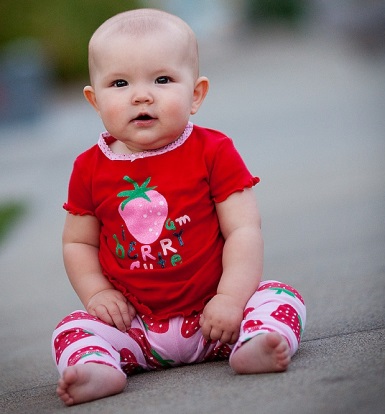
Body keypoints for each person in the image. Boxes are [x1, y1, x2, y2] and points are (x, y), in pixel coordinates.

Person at [52, 8, 306, 406]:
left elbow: (243, 229)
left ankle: (254, 344)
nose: (141, 95)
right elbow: (78, 243)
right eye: (119, 83)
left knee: (280, 296)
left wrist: (230, 299)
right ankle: (98, 367)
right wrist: (97, 292)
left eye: (163, 79)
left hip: (217, 320)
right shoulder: (88, 168)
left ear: (196, 94)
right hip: (137, 327)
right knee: (71, 328)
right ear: (94, 100)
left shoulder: (212, 151)